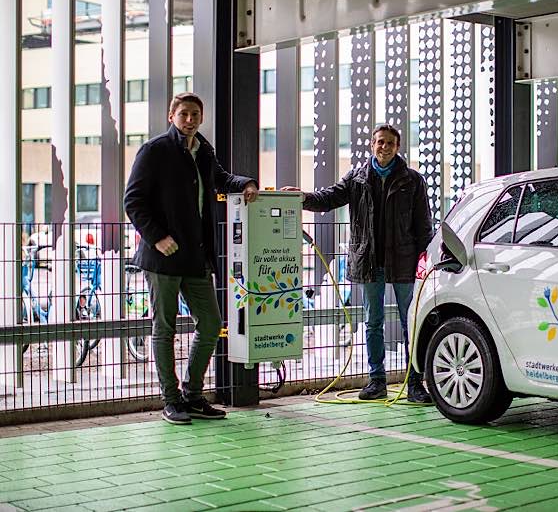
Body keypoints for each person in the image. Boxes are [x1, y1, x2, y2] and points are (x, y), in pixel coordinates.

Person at [124, 92, 258, 424]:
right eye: (184, 114)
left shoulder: (203, 150)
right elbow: (133, 200)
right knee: (164, 328)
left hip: (196, 258)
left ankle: (193, 396)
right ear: (172, 116)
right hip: (163, 257)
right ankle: (171, 400)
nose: (190, 119)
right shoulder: (155, 151)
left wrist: (248, 184)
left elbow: (222, 179)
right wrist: (157, 237)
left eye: (195, 114)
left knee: (211, 324)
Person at [283, 124, 434, 402]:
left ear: (398, 147)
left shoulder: (413, 180)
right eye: (380, 142)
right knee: (372, 322)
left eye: (390, 143)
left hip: (403, 261)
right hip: (370, 261)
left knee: (410, 323)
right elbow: (328, 198)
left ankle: (415, 384)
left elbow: (424, 225)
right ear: (372, 145)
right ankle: (376, 381)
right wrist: (302, 197)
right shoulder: (357, 178)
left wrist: (426, 259)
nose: (384, 147)